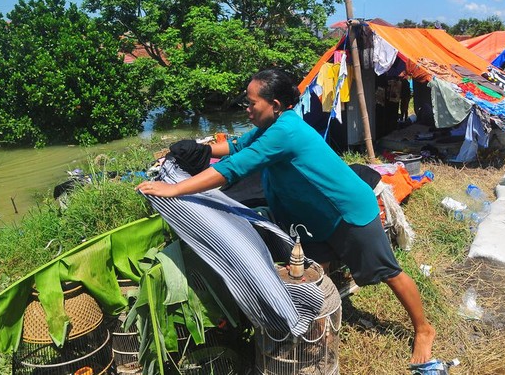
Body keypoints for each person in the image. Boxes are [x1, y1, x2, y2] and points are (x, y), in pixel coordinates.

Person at [136, 68, 436, 363]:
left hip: (347, 211)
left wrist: (175, 190)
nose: (247, 108)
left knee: (387, 272)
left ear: (274, 105)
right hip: (316, 216)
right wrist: (201, 150)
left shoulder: (285, 132)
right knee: (314, 272)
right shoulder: (273, 125)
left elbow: (234, 167)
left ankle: (424, 330)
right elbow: (239, 145)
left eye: (252, 103)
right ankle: (317, 327)